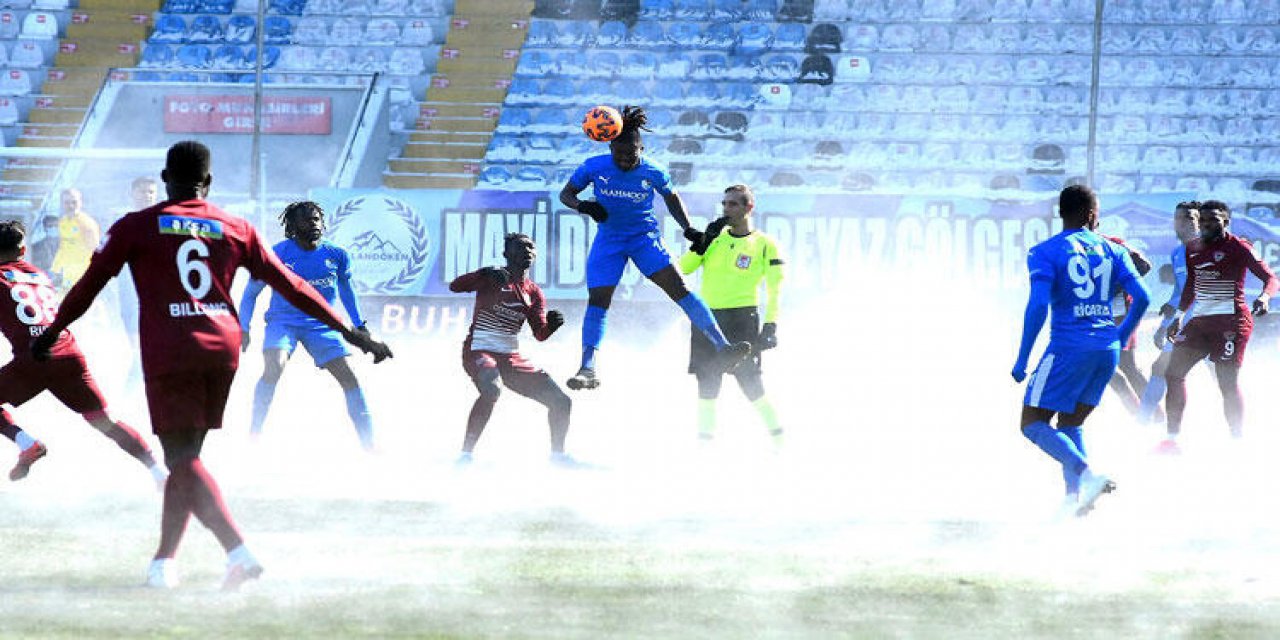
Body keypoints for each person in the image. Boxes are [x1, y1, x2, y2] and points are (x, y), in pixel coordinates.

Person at [31, 141, 393, 591]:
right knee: (186, 459)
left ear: (166, 179)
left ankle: (238, 551)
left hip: (172, 348)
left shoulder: (137, 226)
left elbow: (88, 285)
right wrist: (353, 331)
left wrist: (50, 332)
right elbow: (294, 285)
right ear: (209, 183)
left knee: (181, 458)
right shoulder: (235, 226)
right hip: (221, 351)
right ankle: (163, 562)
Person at [558, 105, 751, 391]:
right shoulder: (593, 167)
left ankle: (723, 348)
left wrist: (687, 229)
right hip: (609, 241)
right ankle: (587, 368)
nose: (624, 161)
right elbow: (566, 194)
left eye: (631, 155)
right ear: (610, 146)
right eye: (619, 155)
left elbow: (672, 198)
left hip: (643, 239)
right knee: (598, 301)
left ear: (641, 148)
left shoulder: (653, 170)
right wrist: (583, 205)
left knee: (681, 290)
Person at [1011, 185, 1149, 517]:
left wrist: (1023, 357)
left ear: (1061, 212)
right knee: (1071, 425)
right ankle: (1074, 501)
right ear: (1091, 215)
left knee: (1032, 422)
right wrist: (1119, 336)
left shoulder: (1044, 251)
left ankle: (1087, 476)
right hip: (1106, 350)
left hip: (1068, 349)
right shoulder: (1112, 250)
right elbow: (1143, 298)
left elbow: (1038, 306)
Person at [0, 220, 167, 487]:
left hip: (34, 359)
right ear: (22, 252)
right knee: (104, 421)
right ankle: (159, 472)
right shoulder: (40, 277)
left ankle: (25, 442)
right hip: (69, 355)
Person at [239, 201, 378, 451]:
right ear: (292, 226)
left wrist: (359, 324)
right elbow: (250, 294)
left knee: (349, 377)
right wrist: (243, 327)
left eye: (316, 219)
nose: (313, 224)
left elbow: (347, 290)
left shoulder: (336, 255)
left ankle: (369, 446)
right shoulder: (277, 254)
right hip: (283, 322)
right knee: (275, 366)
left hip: (322, 326)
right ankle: (253, 437)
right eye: (306, 220)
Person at [449, 233, 579, 466]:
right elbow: (455, 286)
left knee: (562, 401)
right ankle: (464, 457)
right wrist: (484, 272)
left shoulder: (534, 292)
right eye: (520, 248)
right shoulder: (493, 276)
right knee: (491, 389)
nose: (527, 251)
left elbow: (540, 334)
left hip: (510, 358)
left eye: (531, 247)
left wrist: (553, 326)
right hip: (479, 350)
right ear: (507, 254)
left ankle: (558, 458)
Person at [1158, 200, 1278, 452]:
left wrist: (1265, 297)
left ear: (1226, 222)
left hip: (1231, 323)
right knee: (1173, 373)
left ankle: (1237, 440)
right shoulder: (1192, 249)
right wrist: (1179, 315)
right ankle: (1172, 439)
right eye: (1202, 221)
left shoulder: (1238, 247)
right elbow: (1191, 285)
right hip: (1200, 323)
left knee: (1226, 382)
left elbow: (1270, 277)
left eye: (1213, 220)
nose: (1206, 226)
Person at [677, 185, 785, 447]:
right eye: (724, 204)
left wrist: (770, 325)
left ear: (749, 207)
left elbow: (775, 290)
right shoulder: (714, 238)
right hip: (707, 320)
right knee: (707, 384)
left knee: (751, 384)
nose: (727, 209)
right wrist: (702, 242)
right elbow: (682, 270)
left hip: (742, 320)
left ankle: (779, 440)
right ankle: (705, 446)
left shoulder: (765, 244)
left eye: (733, 204)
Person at [1138, 202, 1201, 424]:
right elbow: (1180, 290)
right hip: (1184, 322)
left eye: (1189, 219)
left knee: (1223, 375)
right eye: (1178, 219)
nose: (1182, 224)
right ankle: (1146, 423)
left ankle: (1236, 429)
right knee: (1161, 368)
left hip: (1208, 321)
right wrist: (1165, 324)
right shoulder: (1177, 254)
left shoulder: (1207, 249)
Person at [1096, 231, 1155, 419]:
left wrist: (1116, 286)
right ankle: (1138, 415)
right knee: (1103, 369)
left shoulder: (1112, 243)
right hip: (1091, 315)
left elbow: (1144, 265)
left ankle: (1156, 417)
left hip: (1118, 314)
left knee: (1127, 366)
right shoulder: (1070, 246)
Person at [49, 188, 100, 291]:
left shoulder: (86, 223)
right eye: (67, 203)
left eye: (74, 202)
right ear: (62, 204)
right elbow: (63, 247)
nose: (71, 206)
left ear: (80, 202)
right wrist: (56, 268)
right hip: (68, 273)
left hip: (84, 273)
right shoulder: (63, 222)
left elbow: (96, 249)